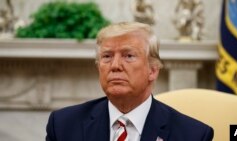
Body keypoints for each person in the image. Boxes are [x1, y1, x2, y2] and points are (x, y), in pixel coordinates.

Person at [46, 22, 214, 141]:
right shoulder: (63, 125)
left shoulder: (193, 135)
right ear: (98, 67)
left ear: (153, 70)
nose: (115, 66)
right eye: (107, 56)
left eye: (128, 56)